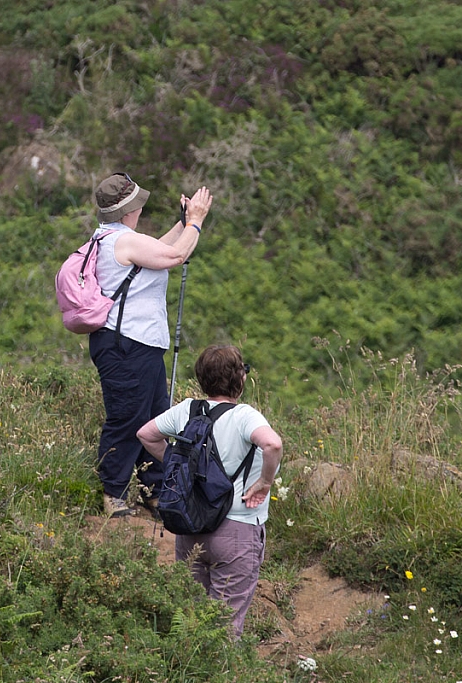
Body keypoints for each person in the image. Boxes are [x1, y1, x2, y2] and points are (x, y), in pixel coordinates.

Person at [136, 345, 283, 640]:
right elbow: (273, 445)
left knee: (190, 619)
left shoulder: (187, 409)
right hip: (237, 530)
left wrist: (180, 469)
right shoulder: (245, 416)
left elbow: (145, 435)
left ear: (201, 379)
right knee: (223, 628)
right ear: (240, 380)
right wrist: (265, 482)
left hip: (190, 528)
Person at [89, 172, 213, 518]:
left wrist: (184, 222)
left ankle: (153, 489)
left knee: (155, 419)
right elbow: (175, 256)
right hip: (126, 344)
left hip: (134, 344)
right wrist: (197, 222)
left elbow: (162, 249)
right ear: (129, 209)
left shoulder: (117, 238)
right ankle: (113, 493)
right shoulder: (122, 242)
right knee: (128, 418)